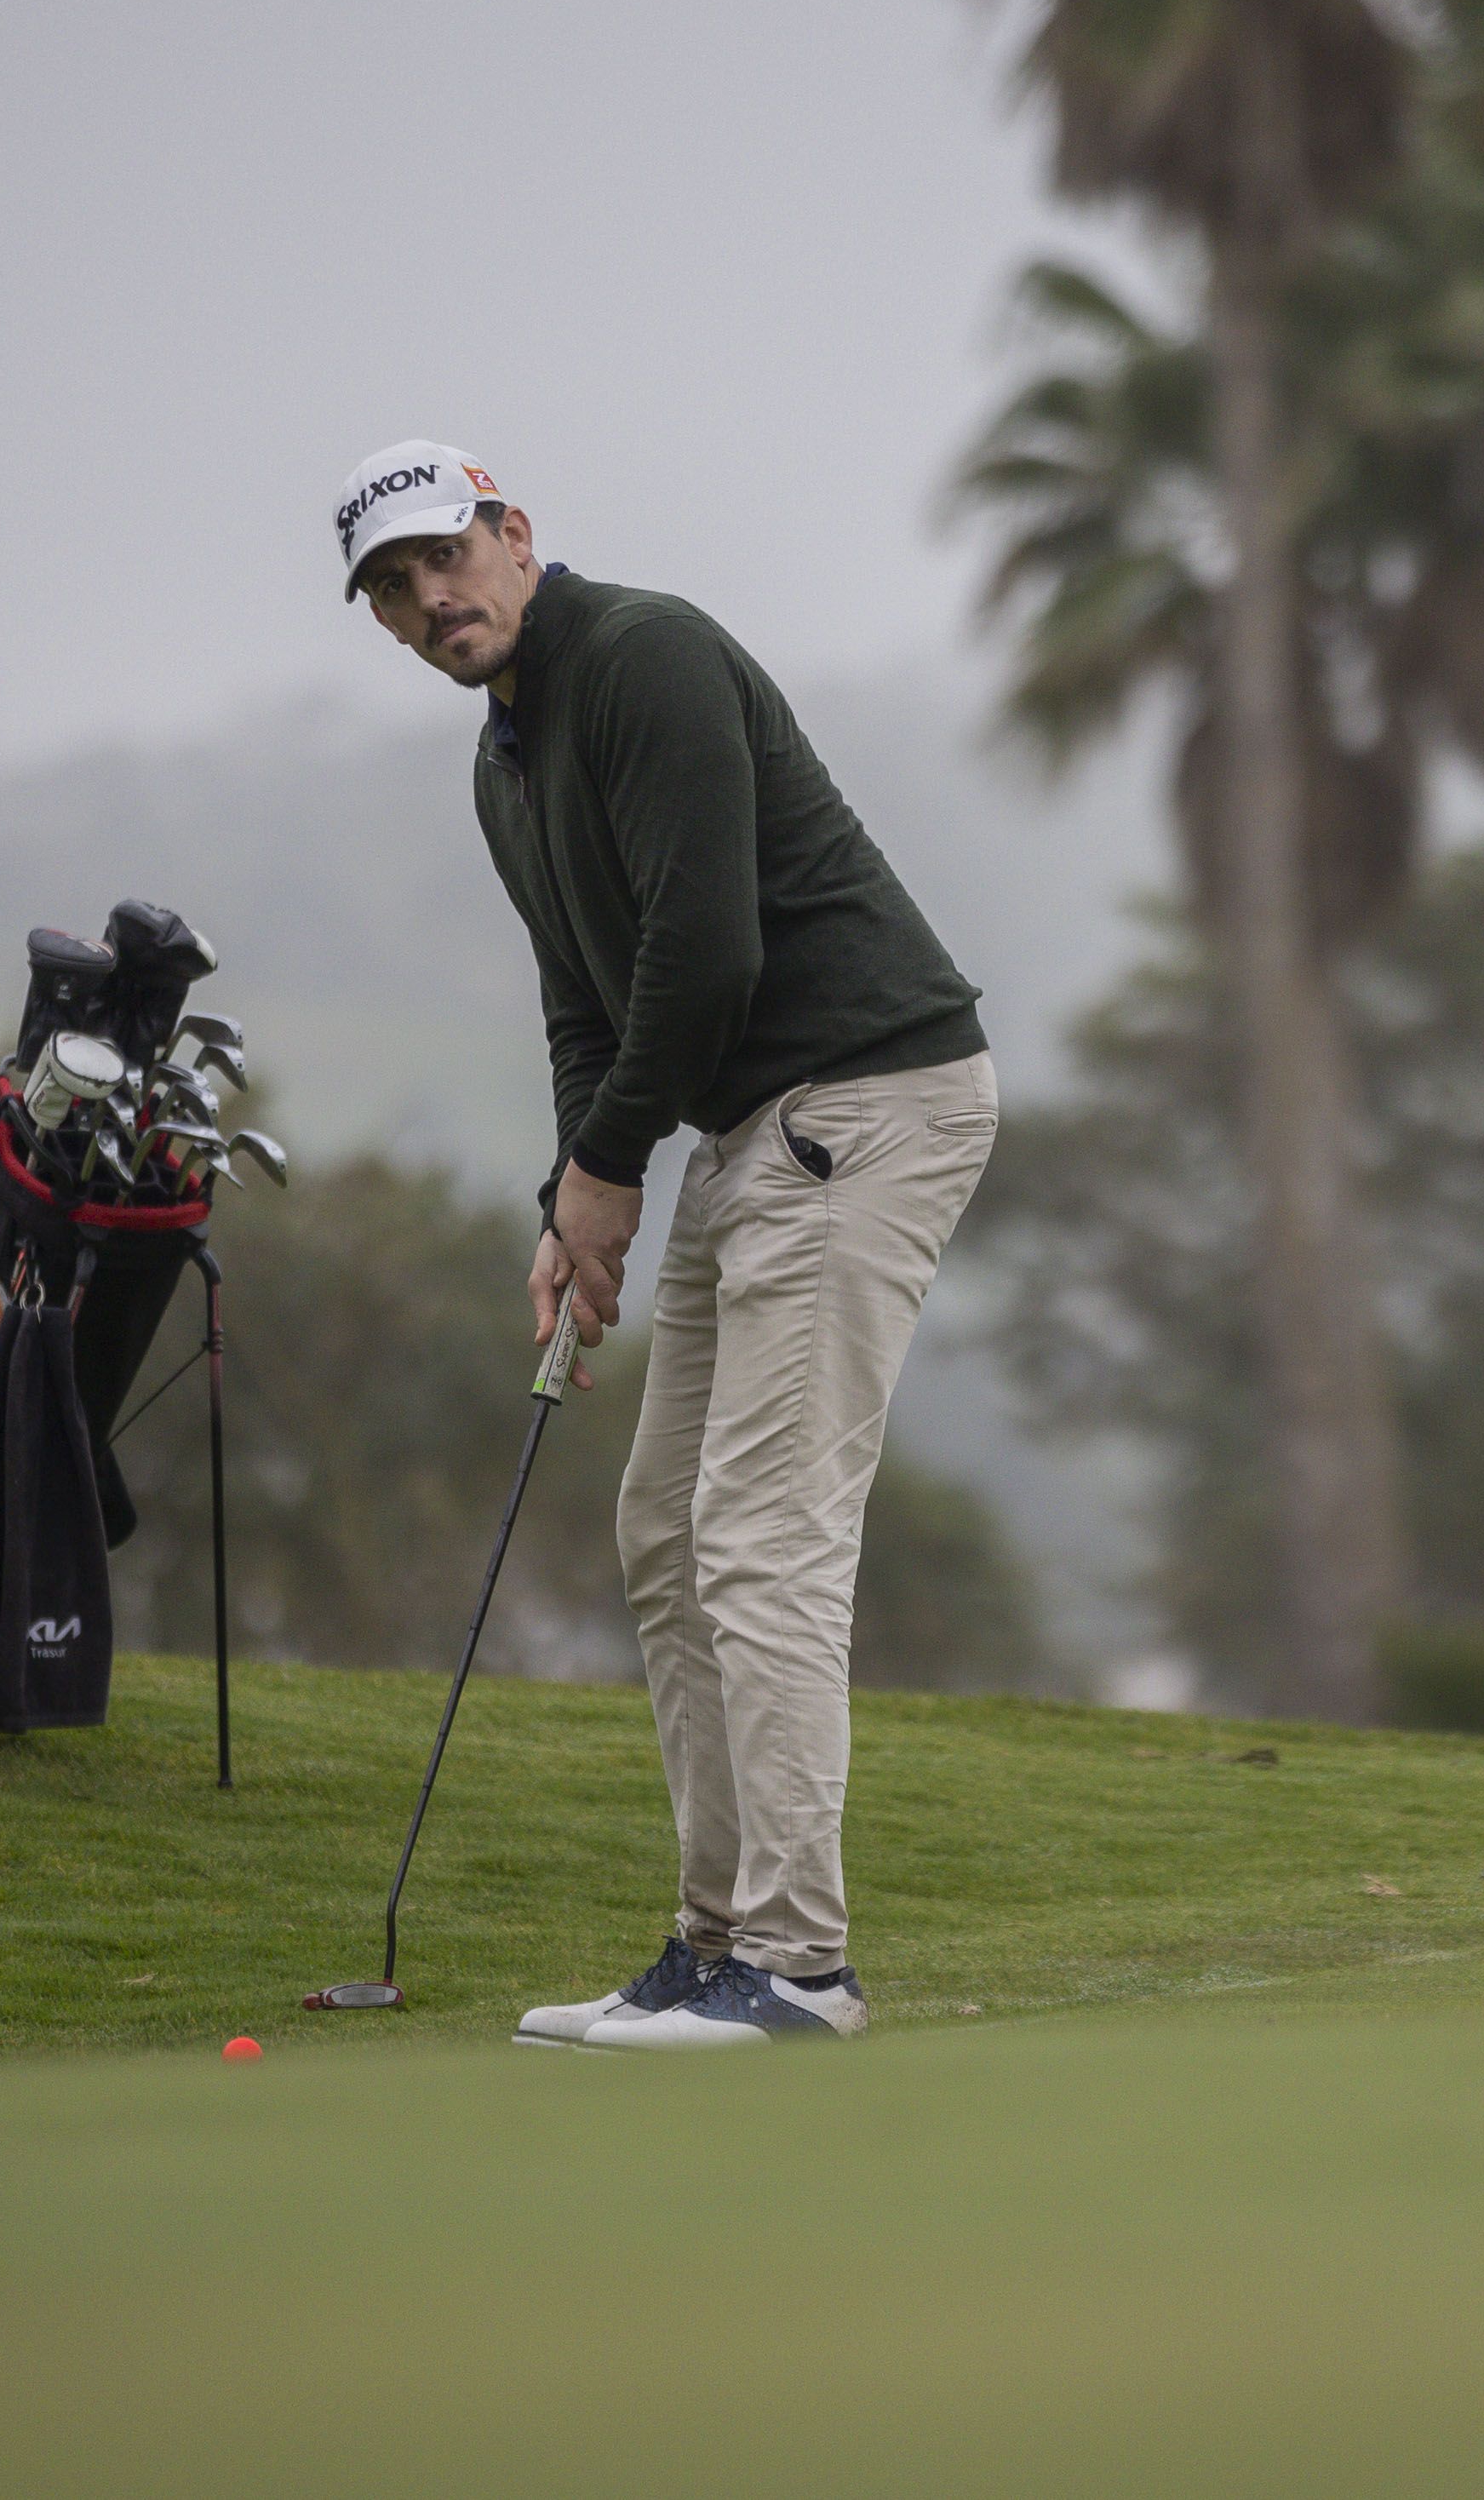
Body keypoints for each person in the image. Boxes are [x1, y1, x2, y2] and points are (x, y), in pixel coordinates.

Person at [337, 439, 995, 2049]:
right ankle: (711, 1948)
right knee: (662, 1527)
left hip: (866, 1097)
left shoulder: (646, 659)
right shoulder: (506, 765)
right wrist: (578, 1194)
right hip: (754, 1133)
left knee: (762, 1531)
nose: (431, 596)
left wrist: (616, 1162)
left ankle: (795, 1966)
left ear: (513, 532)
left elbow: (704, 956)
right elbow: (589, 999)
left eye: (445, 554)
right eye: (392, 587)